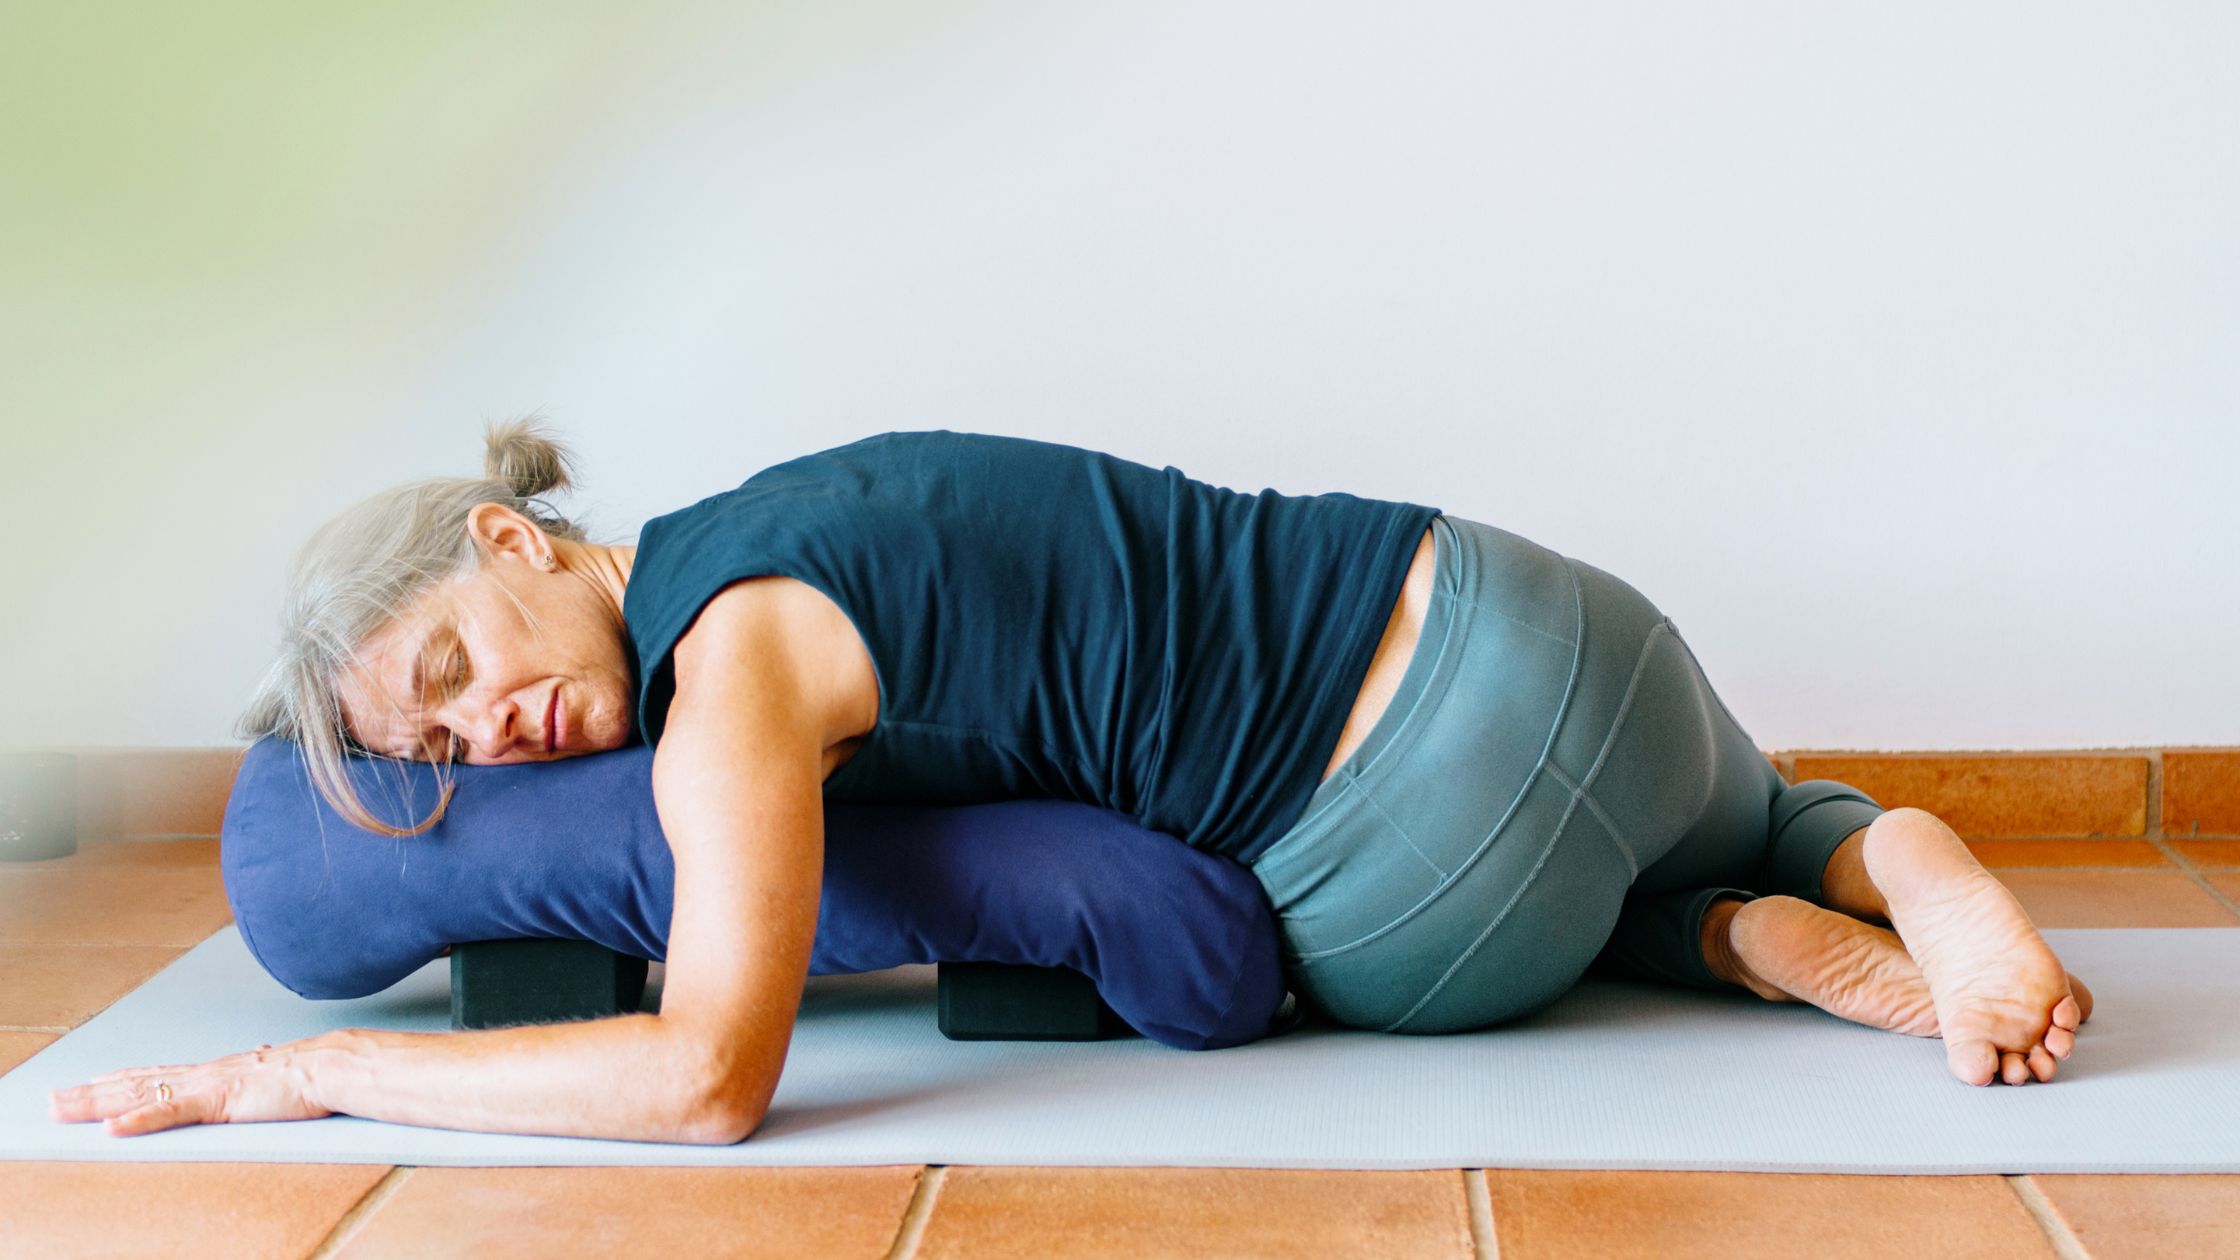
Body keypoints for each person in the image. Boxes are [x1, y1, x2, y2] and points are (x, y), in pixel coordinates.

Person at [51, 421, 2093, 1143]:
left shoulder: (734, 679)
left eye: (450, 678)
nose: (485, 742)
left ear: (511, 546)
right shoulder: (806, 504)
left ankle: (1712, 923)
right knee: (1758, 801)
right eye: (435, 753)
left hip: (1417, 884)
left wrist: (300, 1076)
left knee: (1355, 929)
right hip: (1562, 626)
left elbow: (702, 1081)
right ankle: (1839, 867)